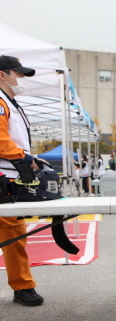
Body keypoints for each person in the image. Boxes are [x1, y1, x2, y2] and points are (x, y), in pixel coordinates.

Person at [0, 55, 44, 306]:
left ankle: (22, 285)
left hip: (10, 175)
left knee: (13, 230)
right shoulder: (1, 102)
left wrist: (28, 158)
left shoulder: (10, 103)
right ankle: (22, 285)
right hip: (4, 175)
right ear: (2, 74)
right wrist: (25, 158)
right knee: (12, 231)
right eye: (17, 73)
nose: (21, 78)